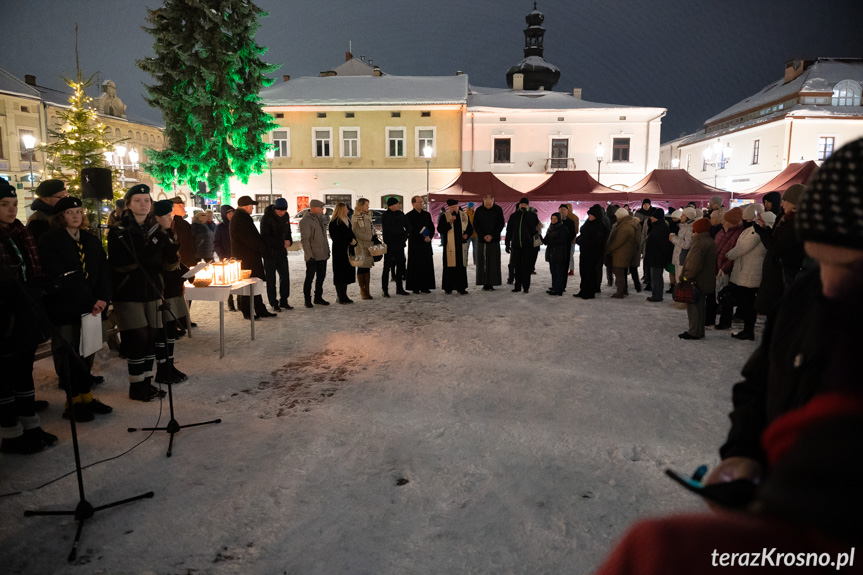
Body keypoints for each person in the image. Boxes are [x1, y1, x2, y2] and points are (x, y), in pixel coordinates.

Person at [705, 136, 863, 493]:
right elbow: (759, 384)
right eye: (822, 260)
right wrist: (741, 454)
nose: (831, 285)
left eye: (853, 269)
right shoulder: (805, 296)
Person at [38, 196, 113, 421]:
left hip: (93, 308)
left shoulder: (90, 240)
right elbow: (60, 276)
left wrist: (102, 298)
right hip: (66, 307)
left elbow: (103, 271)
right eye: (71, 213)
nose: (76, 216)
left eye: (79, 211)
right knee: (70, 354)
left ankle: (87, 397)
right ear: (61, 217)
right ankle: (73, 402)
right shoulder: (50, 241)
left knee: (87, 352)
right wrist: (89, 300)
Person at [0, 179, 58, 453]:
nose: (11, 210)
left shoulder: (20, 233)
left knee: (24, 371)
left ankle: (31, 426)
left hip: (25, 314)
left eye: (13, 204)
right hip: (5, 319)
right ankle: (11, 435)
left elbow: (31, 271)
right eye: (3, 205)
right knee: (5, 377)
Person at [107, 184, 169, 402]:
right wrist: (148, 257)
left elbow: (165, 262)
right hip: (129, 291)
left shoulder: (156, 228)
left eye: (146, 200)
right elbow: (118, 261)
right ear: (129, 204)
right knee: (138, 337)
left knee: (152, 335)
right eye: (138, 200)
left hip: (152, 290)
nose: (143, 204)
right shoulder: (119, 230)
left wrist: (168, 254)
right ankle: (136, 385)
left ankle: (147, 382)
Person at [152, 199, 188, 384]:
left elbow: (175, 260)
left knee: (171, 330)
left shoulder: (168, 233)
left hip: (173, 287)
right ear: (156, 217)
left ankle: (170, 365)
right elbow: (162, 264)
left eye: (171, 215)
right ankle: (162, 370)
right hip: (164, 288)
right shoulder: (156, 237)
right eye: (167, 216)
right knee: (163, 331)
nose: (170, 218)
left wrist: (185, 271)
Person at [725, 204, 768, 341]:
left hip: (751, 273)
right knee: (746, 303)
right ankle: (747, 330)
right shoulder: (749, 230)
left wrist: (727, 255)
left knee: (749, 304)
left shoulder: (755, 231)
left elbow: (742, 248)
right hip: (745, 271)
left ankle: (749, 331)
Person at [230, 196, 276, 319]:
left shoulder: (242, 217)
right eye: (251, 205)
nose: (253, 208)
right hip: (246, 258)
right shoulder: (240, 219)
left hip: (249, 256)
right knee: (248, 285)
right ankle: (248, 311)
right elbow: (249, 239)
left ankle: (259, 309)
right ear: (246, 206)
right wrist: (262, 248)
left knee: (255, 284)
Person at [678, 218, 717, 339]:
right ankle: (698, 331)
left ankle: (694, 331)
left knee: (694, 306)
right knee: (700, 306)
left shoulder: (699, 244)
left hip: (696, 280)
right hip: (705, 279)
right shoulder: (708, 241)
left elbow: (693, 264)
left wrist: (685, 278)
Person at [259, 197, 293, 312]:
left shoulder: (286, 216)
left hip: (282, 253)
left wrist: (289, 241)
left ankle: (284, 300)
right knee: (271, 280)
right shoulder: (266, 218)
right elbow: (265, 237)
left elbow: (288, 231)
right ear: (275, 209)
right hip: (270, 253)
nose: (282, 213)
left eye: (284, 211)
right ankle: (274, 303)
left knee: (285, 277)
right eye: (280, 211)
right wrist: (281, 242)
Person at [714, 207, 745, 330]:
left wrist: (724, 267)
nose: (723, 222)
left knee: (727, 295)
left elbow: (734, 253)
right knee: (721, 293)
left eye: (726, 220)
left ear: (732, 222)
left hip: (728, 270)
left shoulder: (738, 233)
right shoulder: (723, 231)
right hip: (718, 266)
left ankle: (725, 321)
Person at [505, 197, 540, 294]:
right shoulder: (513, 216)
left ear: (528, 206)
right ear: (519, 205)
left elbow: (534, 227)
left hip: (528, 246)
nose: (523, 206)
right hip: (516, 245)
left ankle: (526, 287)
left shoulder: (532, 215)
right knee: (517, 266)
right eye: (521, 204)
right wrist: (507, 243)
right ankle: (517, 286)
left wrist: (527, 214)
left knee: (526, 267)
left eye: (525, 204)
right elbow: (509, 231)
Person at [438, 199, 473, 294]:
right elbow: (440, 229)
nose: (454, 209)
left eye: (456, 207)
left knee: (461, 266)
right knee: (449, 266)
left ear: (458, 206)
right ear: (448, 208)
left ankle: (461, 287)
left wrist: (467, 235)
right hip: (449, 246)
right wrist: (449, 222)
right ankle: (448, 287)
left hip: (461, 246)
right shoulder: (445, 216)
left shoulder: (464, 215)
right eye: (452, 207)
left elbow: (470, 229)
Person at [300, 199, 331, 307]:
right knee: (310, 278)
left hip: (322, 254)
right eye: (320, 208)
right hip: (313, 255)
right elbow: (305, 240)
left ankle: (318, 297)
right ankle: (307, 299)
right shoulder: (305, 221)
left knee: (321, 277)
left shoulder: (320, 219)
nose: (322, 210)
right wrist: (309, 255)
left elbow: (324, 237)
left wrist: (327, 250)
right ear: (314, 208)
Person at [574, 205, 608, 299]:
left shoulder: (601, 226)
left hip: (593, 253)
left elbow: (597, 241)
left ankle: (590, 292)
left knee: (591, 273)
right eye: (589, 215)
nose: (589, 217)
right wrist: (579, 240)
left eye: (591, 215)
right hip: (584, 251)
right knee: (583, 271)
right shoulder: (588, 223)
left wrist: (583, 241)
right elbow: (583, 234)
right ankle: (583, 290)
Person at [472, 194, 505, 291]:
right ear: (483, 201)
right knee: (482, 262)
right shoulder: (479, 210)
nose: (488, 206)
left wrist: (492, 235)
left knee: (493, 262)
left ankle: (493, 282)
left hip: (494, 240)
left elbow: (500, 224)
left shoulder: (498, 209)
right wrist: (483, 236)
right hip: (482, 240)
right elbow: (475, 224)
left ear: (493, 201)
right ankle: (484, 282)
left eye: (490, 204)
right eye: (486, 204)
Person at [605, 207, 638, 299]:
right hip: (623, 253)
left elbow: (617, 241)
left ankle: (620, 292)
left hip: (621, 253)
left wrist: (608, 248)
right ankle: (623, 290)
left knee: (619, 273)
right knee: (621, 273)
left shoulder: (625, 226)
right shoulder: (625, 224)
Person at [405, 196, 435, 294]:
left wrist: (430, 236)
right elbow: (411, 231)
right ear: (413, 204)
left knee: (426, 265)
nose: (421, 204)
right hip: (415, 245)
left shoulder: (427, 214)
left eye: (422, 202)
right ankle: (415, 287)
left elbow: (431, 227)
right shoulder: (409, 216)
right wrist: (422, 238)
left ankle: (425, 286)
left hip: (426, 244)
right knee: (415, 266)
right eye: (419, 202)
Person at [381, 197, 410, 297]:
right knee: (387, 267)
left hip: (400, 244)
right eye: (395, 204)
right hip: (390, 244)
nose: (397, 205)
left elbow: (408, 226)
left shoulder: (401, 214)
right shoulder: (385, 215)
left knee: (401, 266)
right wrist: (400, 233)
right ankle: (385, 290)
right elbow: (389, 229)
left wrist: (405, 236)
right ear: (390, 206)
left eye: (398, 204)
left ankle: (400, 288)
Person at [328, 202, 357, 304]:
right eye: (345, 209)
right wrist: (349, 240)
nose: (348, 211)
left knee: (346, 273)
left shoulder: (347, 220)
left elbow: (350, 233)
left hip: (347, 251)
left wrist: (354, 240)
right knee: (340, 273)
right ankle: (340, 296)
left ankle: (344, 295)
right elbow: (336, 237)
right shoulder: (334, 222)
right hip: (339, 251)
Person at [644, 207, 672, 302]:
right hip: (655, 256)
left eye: (653, 216)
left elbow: (663, 245)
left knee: (656, 278)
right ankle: (656, 295)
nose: (651, 218)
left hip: (657, 257)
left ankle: (657, 296)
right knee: (655, 277)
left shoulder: (661, 228)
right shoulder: (659, 226)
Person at [351, 198, 376, 300]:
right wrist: (370, 237)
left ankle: (368, 290)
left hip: (369, 245)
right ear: (361, 206)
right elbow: (356, 232)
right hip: (361, 246)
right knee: (361, 267)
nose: (368, 207)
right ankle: (362, 290)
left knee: (367, 267)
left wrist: (374, 236)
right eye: (366, 205)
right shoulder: (355, 217)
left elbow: (371, 228)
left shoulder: (368, 215)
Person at [213, 204, 236, 311]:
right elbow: (216, 243)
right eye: (229, 213)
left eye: (232, 212)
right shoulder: (220, 227)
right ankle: (230, 302)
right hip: (226, 257)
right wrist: (222, 255)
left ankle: (240, 302)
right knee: (228, 280)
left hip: (237, 257)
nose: (231, 215)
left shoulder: (237, 225)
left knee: (239, 280)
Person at [543, 212, 569, 295]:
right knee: (553, 271)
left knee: (559, 271)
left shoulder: (563, 228)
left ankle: (559, 289)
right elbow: (546, 240)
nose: (553, 220)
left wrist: (551, 241)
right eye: (552, 218)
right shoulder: (550, 228)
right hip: (551, 252)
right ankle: (554, 286)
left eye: (555, 219)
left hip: (559, 253)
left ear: (559, 219)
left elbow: (563, 240)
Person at [170, 197, 196, 268]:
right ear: (172, 208)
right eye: (179, 206)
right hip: (180, 261)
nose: (183, 208)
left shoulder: (184, 223)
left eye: (183, 205)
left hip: (186, 260)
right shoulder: (171, 223)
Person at [559, 203, 579, 277]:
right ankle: (571, 269)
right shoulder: (575, 217)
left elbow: (575, 231)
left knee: (568, 255)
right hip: (572, 240)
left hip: (570, 240)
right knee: (570, 255)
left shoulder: (571, 219)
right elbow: (576, 231)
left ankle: (569, 269)